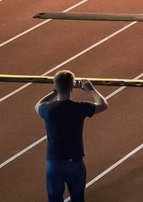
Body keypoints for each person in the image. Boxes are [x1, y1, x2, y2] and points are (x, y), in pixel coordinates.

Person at [35, 71, 106, 202]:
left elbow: (38, 105)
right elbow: (103, 105)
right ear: (72, 87)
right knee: (78, 198)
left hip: (54, 163)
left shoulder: (47, 109)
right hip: (75, 162)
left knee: (54, 199)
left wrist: (55, 91)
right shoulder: (79, 108)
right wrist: (91, 90)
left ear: (56, 86)